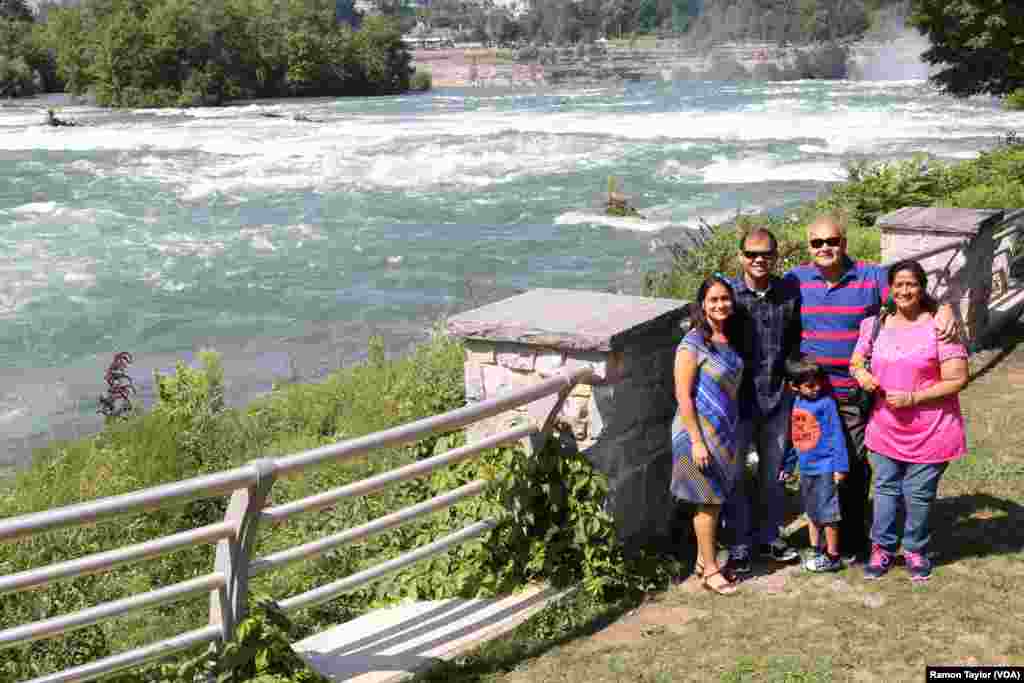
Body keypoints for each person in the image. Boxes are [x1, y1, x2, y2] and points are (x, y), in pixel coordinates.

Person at [783, 213, 958, 561]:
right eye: (817, 243)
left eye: (832, 241)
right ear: (809, 247)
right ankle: (823, 535)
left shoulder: (870, 276)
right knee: (814, 461)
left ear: (843, 243)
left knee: (851, 464)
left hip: (851, 390)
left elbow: (908, 294)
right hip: (811, 390)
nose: (825, 248)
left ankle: (850, 538)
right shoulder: (796, 279)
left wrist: (945, 307)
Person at [850, 260, 968, 581]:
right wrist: (862, 374)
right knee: (886, 488)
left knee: (918, 494)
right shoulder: (874, 324)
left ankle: (915, 549)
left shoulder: (941, 328)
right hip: (885, 427)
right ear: (890, 288)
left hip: (933, 429)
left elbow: (957, 379)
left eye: (911, 284)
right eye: (898, 284)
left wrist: (913, 398)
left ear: (922, 288)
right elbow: (857, 359)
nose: (905, 290)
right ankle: (882, 549)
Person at [722, 227, 802, 574]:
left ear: (776, 256)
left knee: (774, 475)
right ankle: (738, 544)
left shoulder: (788, 292)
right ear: (741, 256)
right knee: (735, 476)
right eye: (752, 254)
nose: (759, 260)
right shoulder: (727, 296)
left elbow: (797, 339)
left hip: (777, 398)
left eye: (766, 254)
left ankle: (770, 536)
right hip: (737, 403)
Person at [671, 275, 746, 595]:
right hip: (696, 433)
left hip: (724, 431)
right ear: (702, 304)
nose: (720, 305)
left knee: (715, 499)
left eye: (725, 298)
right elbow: (683, 395)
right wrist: (698, 440)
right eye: (713, 300)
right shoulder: (692, 343)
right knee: (708, 502)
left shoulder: (728, 337)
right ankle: (711, 571)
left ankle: (704, 561)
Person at [780, 356, 849, 572]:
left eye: (818, 381)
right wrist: (788, 466)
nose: (817, 387)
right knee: (811, 512)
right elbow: (795, 437)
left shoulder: (826, 403)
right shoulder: (797, 404)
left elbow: (837, 435)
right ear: (794, 387)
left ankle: (833, 555)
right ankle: (815, 549)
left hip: (826, 468)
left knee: (828, 514)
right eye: (810, 385)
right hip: (806, 468)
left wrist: (840, 466)